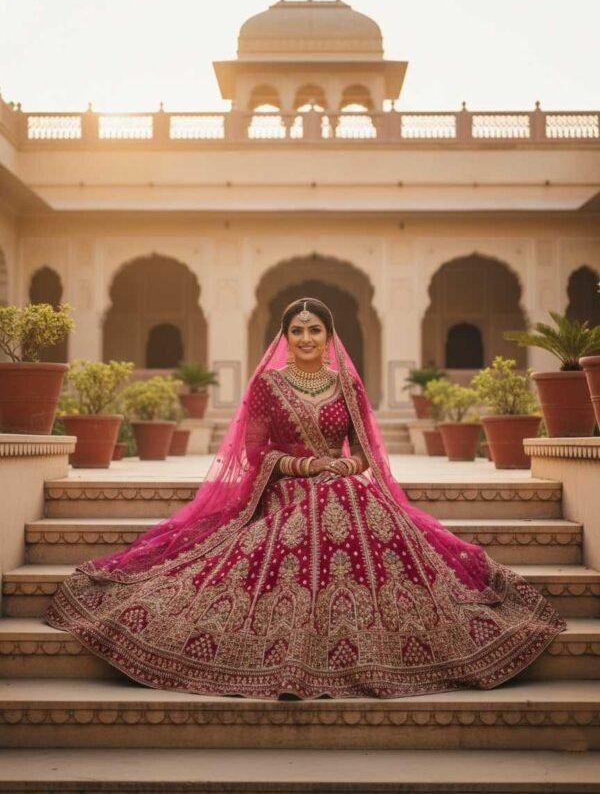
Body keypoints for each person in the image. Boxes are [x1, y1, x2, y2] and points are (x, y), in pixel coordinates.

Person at [45, 298, 566, 699]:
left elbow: (364, 455)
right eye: (297, 330)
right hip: (286, 495)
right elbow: (256, 456)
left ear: (329, 335)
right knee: (327, 503)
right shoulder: (269, 386)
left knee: (352, 502)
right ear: (286, 337)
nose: (307, 337)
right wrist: (308, 466)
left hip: (341, 486)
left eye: (315, 329)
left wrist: (341, 466)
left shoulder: (346, 387)